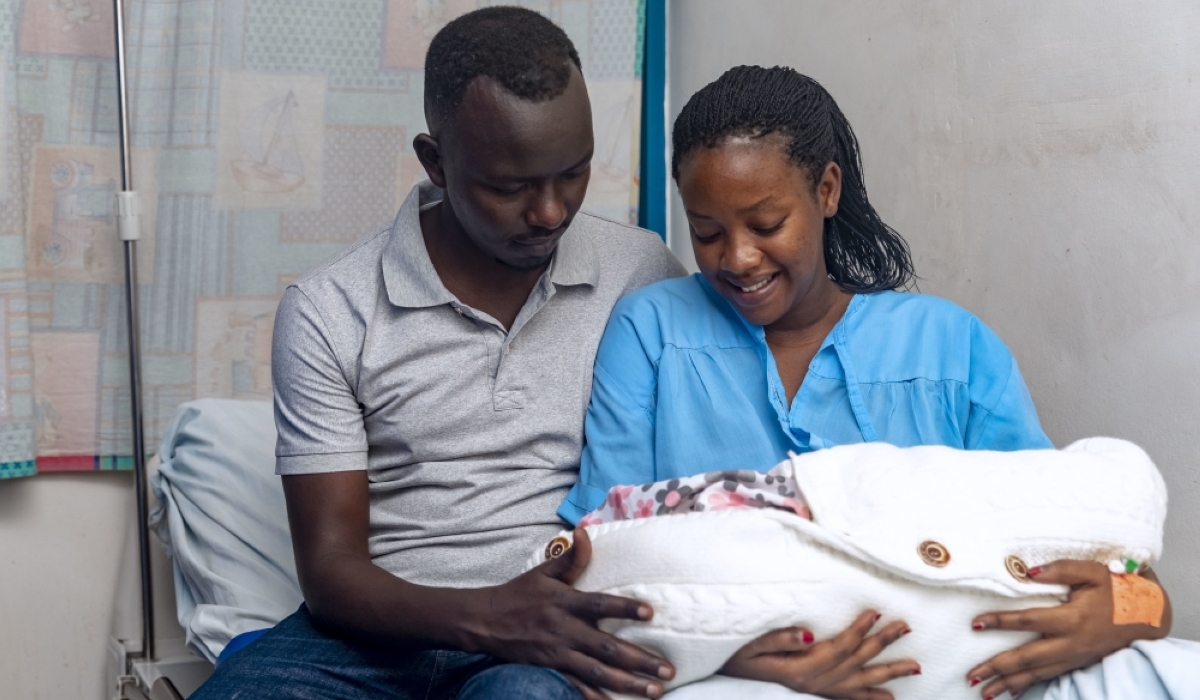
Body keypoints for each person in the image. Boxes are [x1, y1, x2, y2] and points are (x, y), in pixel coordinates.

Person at [559, 66, 1179, 700]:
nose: (737, 258)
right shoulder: (653, 333)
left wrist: (1136, 608)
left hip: (948, 666)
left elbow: (1080, 538)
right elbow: (603, 559)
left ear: (827, 190)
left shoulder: (949, 348)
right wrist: (749, 661)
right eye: (707, 232)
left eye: (767, 225)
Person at [191, 8, 686, 700]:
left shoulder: (639, 272)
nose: (549, 211)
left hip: (547, 628)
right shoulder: (332, 309)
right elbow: (331, 571)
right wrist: (486, 616)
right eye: (509, 188)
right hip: (373, 637)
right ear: (435, 161)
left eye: (573, 173)